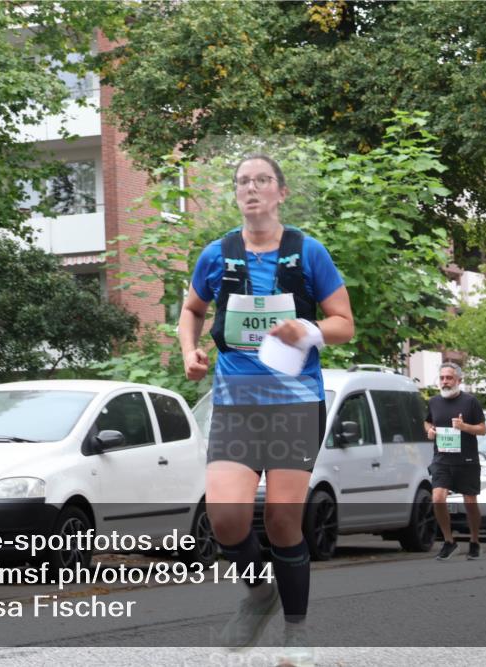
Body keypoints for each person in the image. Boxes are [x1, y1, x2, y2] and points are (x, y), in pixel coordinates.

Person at [178, 154, 353, 665]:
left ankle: (295, 631)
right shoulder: (217, 254)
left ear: (280, 192)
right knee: (226, 517)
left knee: (281, 519)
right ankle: (259, 594)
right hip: (236, 403)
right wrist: (190, 349)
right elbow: (192, 309)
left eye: (261, 181)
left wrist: (311, 329)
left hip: (295, 404)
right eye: (242, 183)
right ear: (236, 195)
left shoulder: (307, 252)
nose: (251, 189)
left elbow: (344, 321)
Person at [424, 362, 486, 561]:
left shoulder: (470, 402)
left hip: (466, 460)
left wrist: (464, 426)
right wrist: (430, 431)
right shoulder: (434, 402)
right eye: (442, 378)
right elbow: (427, 421)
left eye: (449, 378)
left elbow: (483, 429)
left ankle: (475, 541)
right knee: (438, 498)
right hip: (442, 459)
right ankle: (449, 541)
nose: (445, 382)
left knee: (470, 502)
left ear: (458, 380)